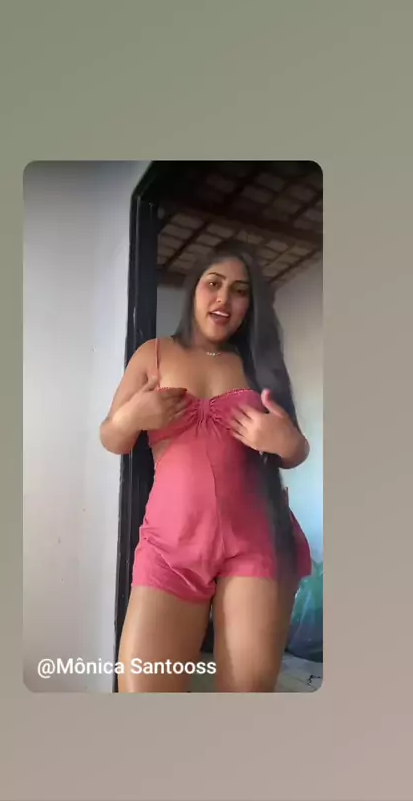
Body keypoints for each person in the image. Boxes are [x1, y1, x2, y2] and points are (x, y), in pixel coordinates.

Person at [100, 241, 312, 692]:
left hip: (254, 544)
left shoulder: (258, 363)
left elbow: (295, 450)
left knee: (245, 700)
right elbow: (112, 438)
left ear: (249, 304)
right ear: (194, 289)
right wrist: (132, 417)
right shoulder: (154, 354)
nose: (223, 299)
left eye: (239, 291)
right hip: (169, 548)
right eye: (213, 284)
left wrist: (284, 442)